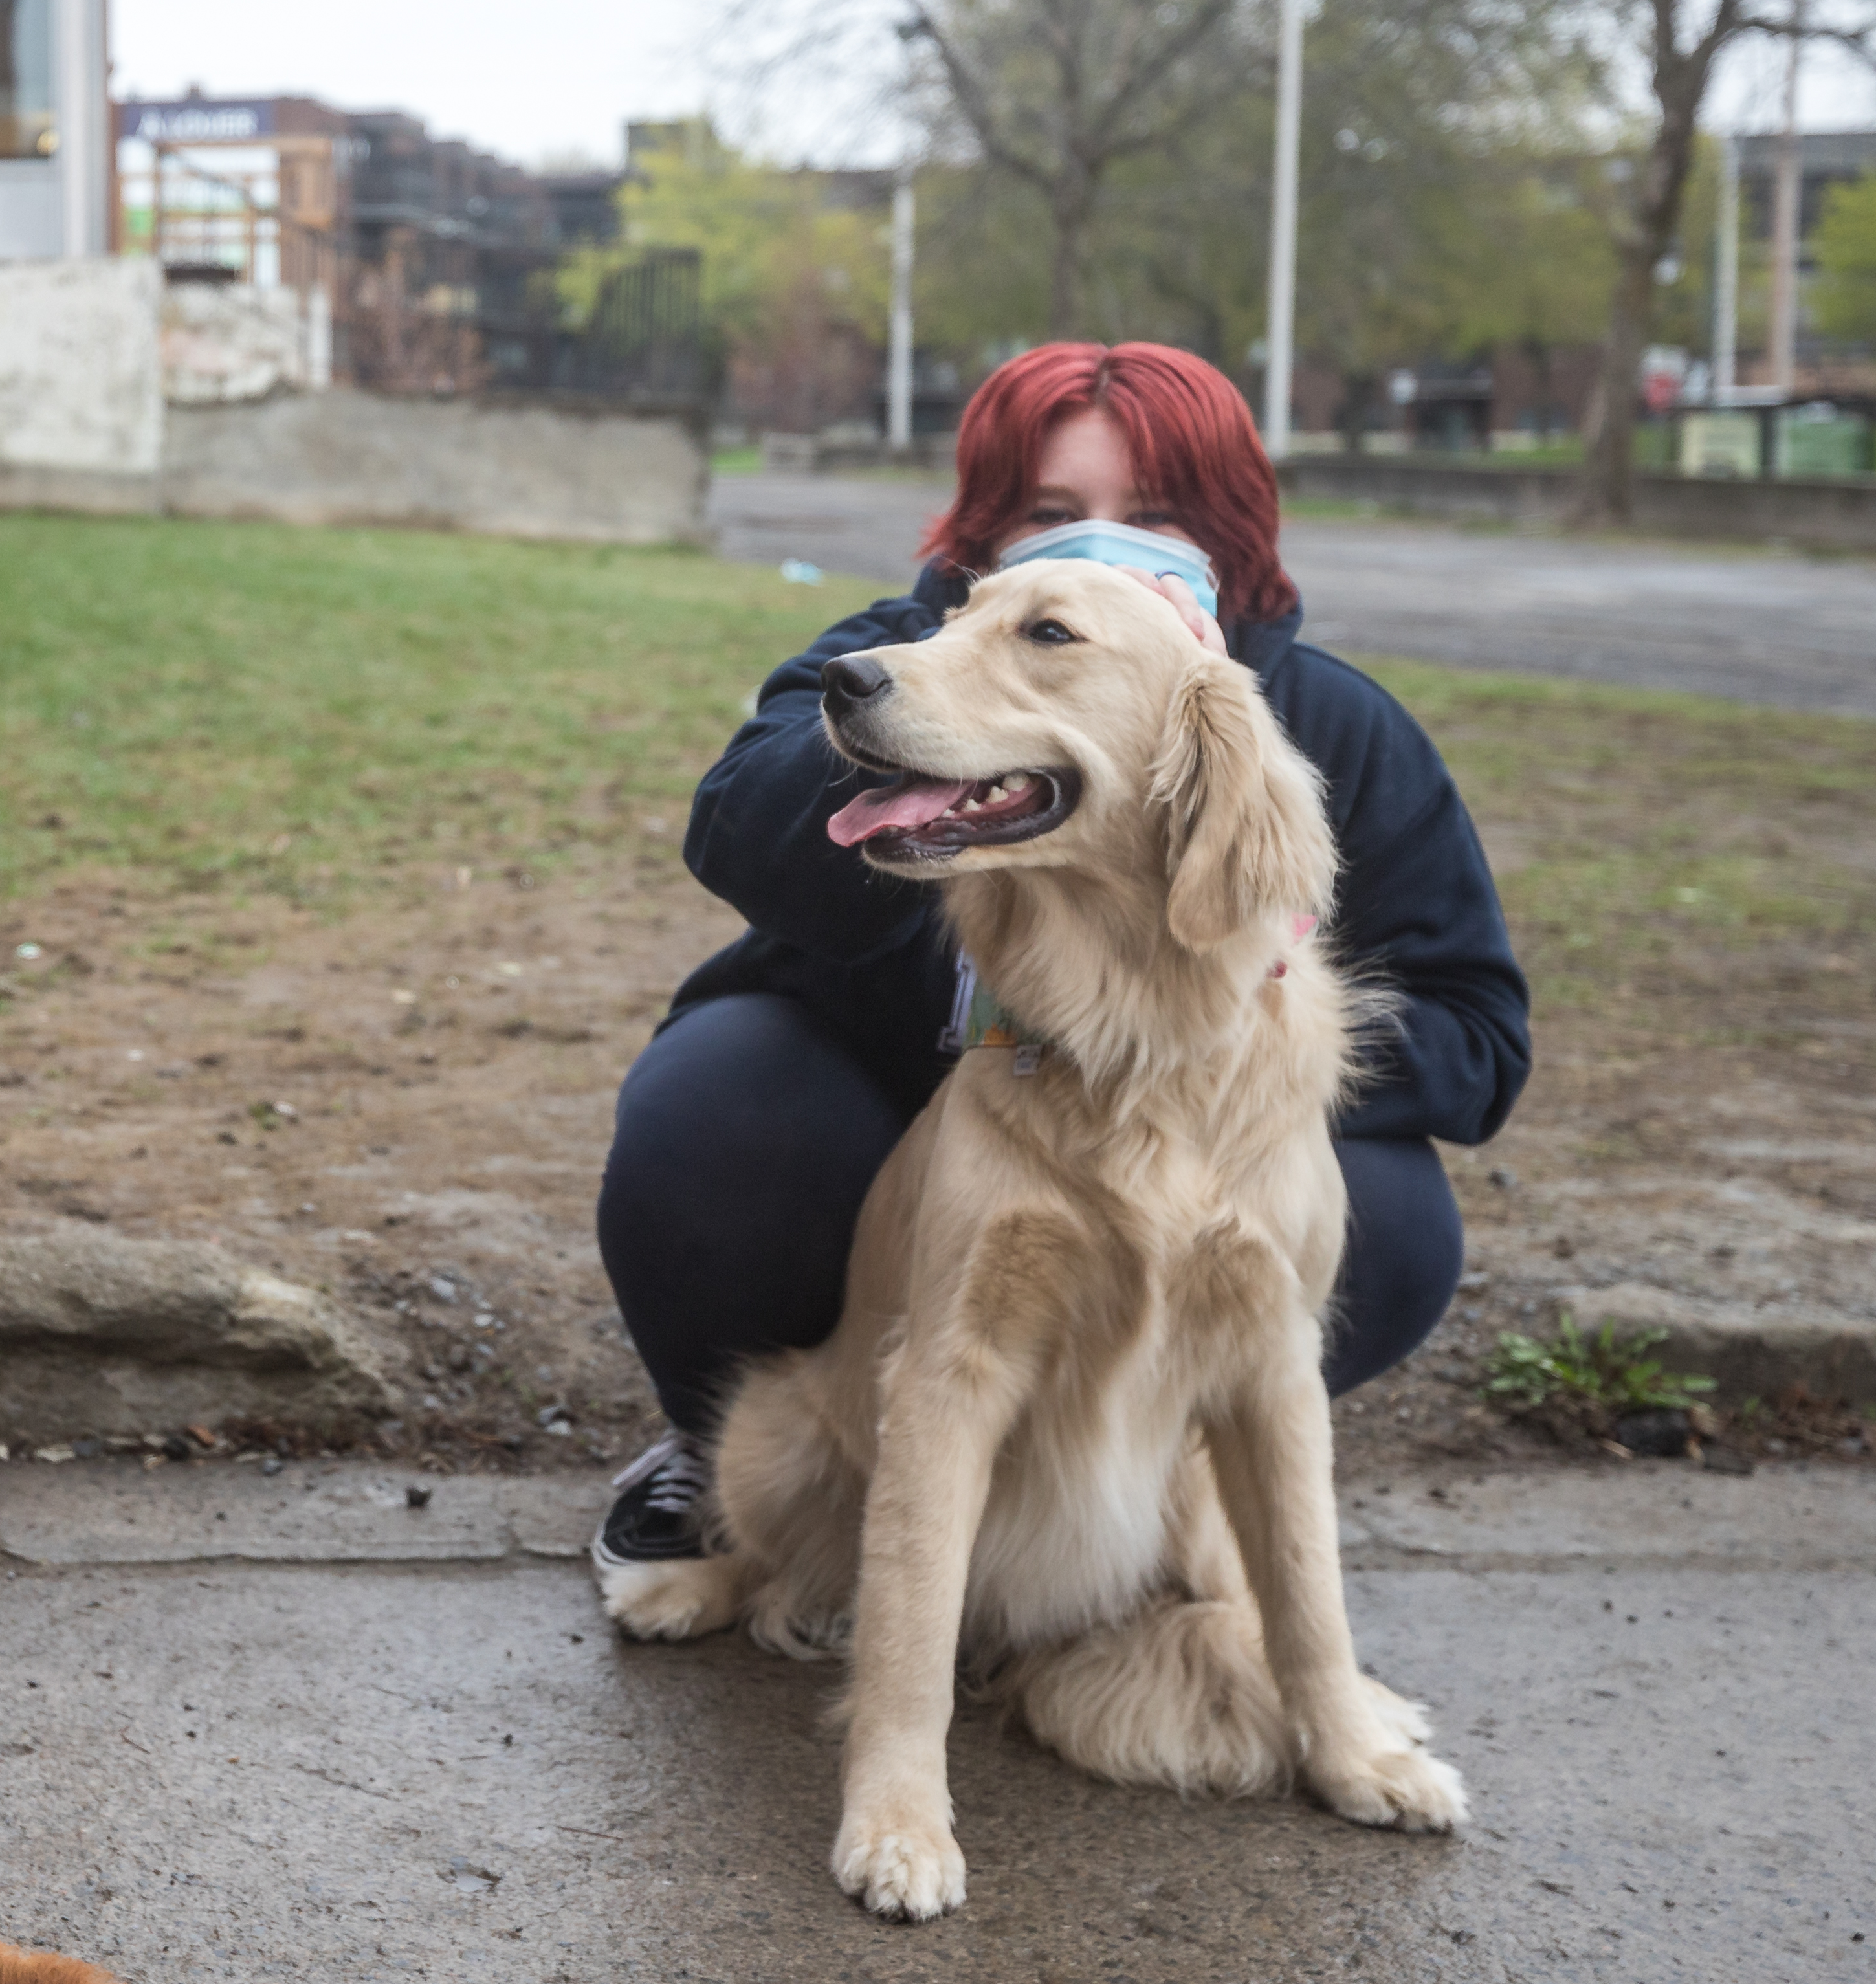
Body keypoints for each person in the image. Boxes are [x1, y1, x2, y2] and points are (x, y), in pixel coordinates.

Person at [590, 340, 1532, 1574]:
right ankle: (720, 1453)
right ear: (982, 532)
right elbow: (736, 832)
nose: (1100, 548)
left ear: (1227, 531)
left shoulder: (1335, 723)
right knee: (710, 1115)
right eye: (1048, 515)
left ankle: (1153, 1483)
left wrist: (1237, 1044)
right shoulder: (891, 654)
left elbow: (1476, 1033)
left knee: (1393, 1215)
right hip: (895, 1136)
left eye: (1151, 515)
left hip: (1185, 1165)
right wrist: (942, 713)